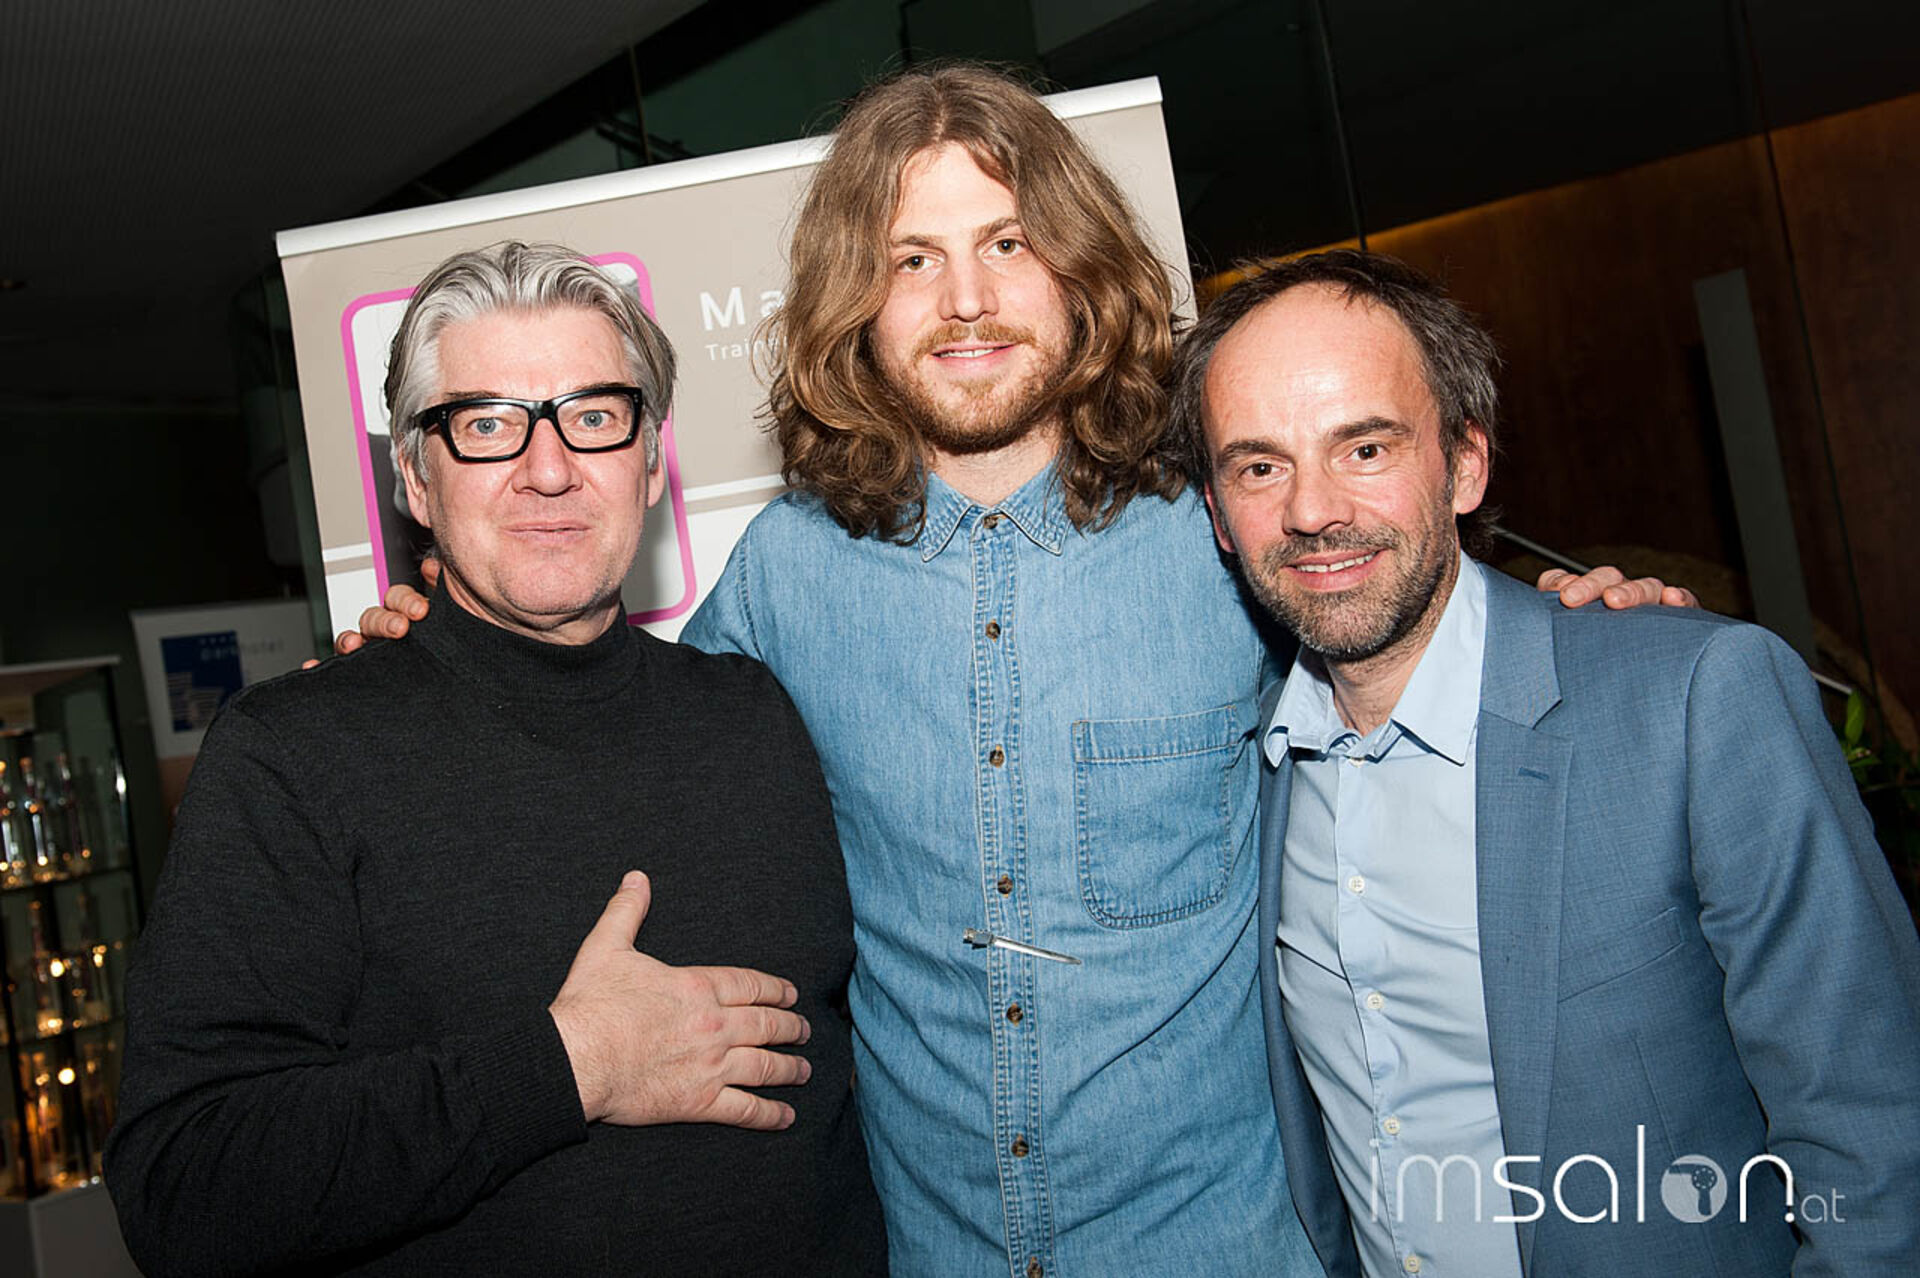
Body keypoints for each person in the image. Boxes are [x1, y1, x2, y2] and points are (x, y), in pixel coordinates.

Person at [343, 66, 1682, 1276]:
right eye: (911, 259)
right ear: (857, 302)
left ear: (1079, 270)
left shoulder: (1222, 528)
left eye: (1007, 244)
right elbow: (602, 740)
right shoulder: (789, 573)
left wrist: (1587, 629)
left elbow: (1425, 646)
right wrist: (439, 656)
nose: (967, 300)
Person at [106, 242, 884, 1276]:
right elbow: (184, 1185)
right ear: (415, 479)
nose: (549, 468)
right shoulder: (294, 757)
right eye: (485, 425)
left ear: (652, 461)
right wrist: (575, 1063)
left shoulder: (756, 714)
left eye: (594, 416)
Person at [1171, 247, 1920, 1277]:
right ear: (1218, 514)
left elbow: (1877, 1140)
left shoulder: (1691, 699)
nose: (1311, 511)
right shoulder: (1247, 770)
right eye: (1260, 466)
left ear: (1465, 465)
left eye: (1366, 448)